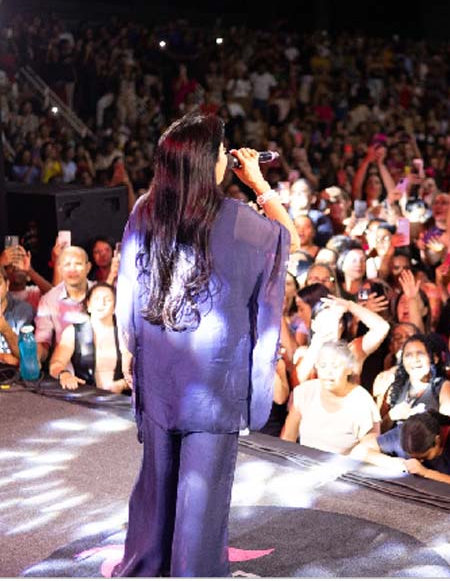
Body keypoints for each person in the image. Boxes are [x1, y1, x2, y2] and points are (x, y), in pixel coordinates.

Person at [113, 114, 298, 577]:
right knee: (202, 489)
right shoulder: (238, 221)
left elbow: (128, 291)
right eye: (221, 151)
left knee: (158, 481)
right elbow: (287, 239)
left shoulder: (145, 210)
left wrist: (128, 349)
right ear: (207, 161)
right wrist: (257, 182)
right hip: (215, 380)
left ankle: (150, 566)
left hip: (159, 369)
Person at [281, 340, 380, 454]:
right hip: (304, 464)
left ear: (349, 369)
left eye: (335, 366)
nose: (328, 372)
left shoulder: (361, 401)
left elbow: (370, 451)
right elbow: (288, 437)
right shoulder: (305, 392)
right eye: (323, 366)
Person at [49, 282, 126, 393]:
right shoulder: (73, 332)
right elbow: (56, 363)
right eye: (97, 299)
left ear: (115, 307)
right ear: (88, 304)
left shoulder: (125, 334)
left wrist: (122, 384)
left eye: (108, 300)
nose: (102, 303)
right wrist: (64, 375)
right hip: (86, 396)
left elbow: (141, 372)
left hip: (120, 399)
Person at [34, 246, 94, 364]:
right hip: (64, 366)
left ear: (88, 267)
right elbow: (43, 340)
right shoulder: (48, 300)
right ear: (60, 269)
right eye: (67, 265)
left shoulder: (102, 294)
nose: (72, 270)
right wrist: (34, 356)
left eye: (78, 264)